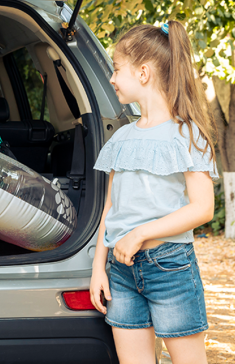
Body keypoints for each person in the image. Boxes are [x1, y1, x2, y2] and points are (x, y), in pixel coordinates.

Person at [89, 21, 217, 364]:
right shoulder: (121, 138)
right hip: (121, 270)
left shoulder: (188, 134)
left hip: (170, 266)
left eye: (117, 70)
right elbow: (110, 208)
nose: (112, 79)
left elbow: (203, 208)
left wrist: (139, 234)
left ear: (143, 73)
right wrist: (98, 267)